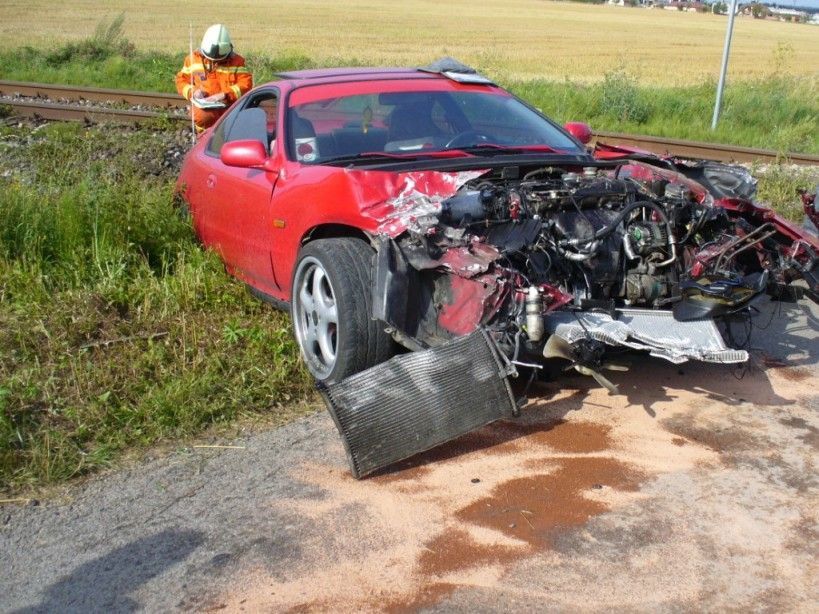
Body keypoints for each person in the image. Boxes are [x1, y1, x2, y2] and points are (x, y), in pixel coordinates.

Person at [175, 24, 253, 132]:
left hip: (230, 108)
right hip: (205, 112)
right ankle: (204, 138)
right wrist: (193, 92)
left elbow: (246, 84)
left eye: (219, 60)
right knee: (202, 116)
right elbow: (181, 81)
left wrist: (225, 95)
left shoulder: (237, 62)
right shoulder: (192, 59)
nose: (215, 62)